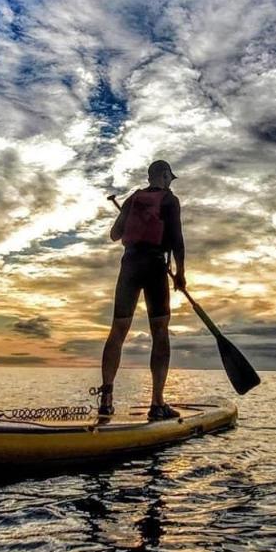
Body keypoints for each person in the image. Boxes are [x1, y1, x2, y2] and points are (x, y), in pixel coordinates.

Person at [97, 160, 186, 421]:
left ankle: (106, 399)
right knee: (160, 332)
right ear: (163, 174)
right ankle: (157, 404)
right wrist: (180, 274)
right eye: (170, 176)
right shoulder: (170, 200)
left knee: (118, 330)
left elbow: (115, 234)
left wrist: (129, 220)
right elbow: (177, 241)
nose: (171, 181)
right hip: (155, 267)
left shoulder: (132, 199)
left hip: (129, 266)